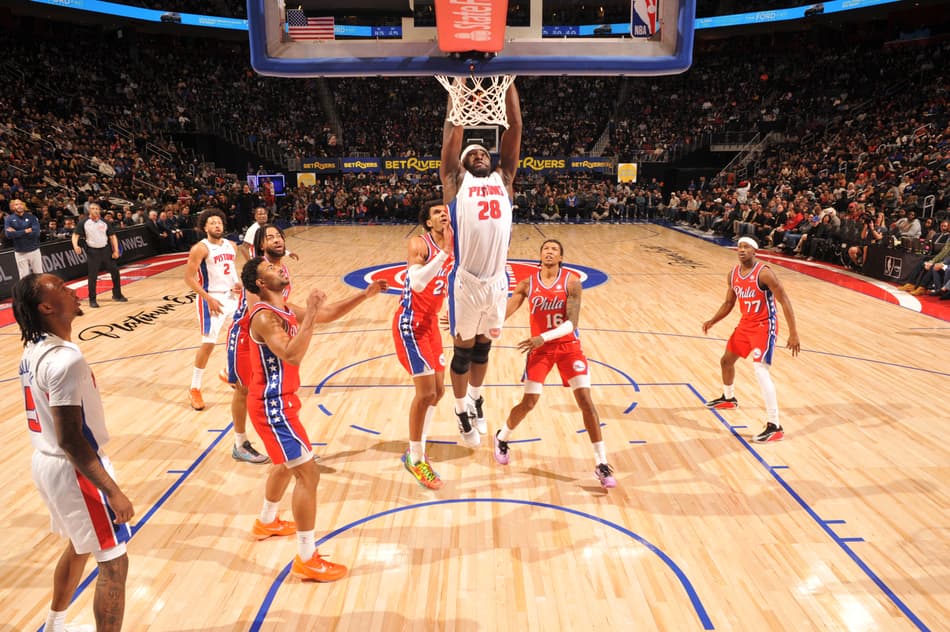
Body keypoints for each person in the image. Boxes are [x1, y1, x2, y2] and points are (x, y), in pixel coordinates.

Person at [241, 257, 386, 581]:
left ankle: (267, 521)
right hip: (271, 406)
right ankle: (307, 557)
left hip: (282, 402)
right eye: (269, 269)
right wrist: (307, 316)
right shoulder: (265, 317)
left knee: (285, 464)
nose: (277, 268)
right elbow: (292, 353)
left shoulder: (284, 309)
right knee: (308, 475)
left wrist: (365, 295)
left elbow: (328, 314)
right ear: (261, 284)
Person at [13, 273, 133, 631]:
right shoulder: (65, 361)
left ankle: (55, 624)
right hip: (75, 469)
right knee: (114, 563)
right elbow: (70, 438)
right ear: (46, 307)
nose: (74, 291)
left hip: (46, 462)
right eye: (63, 289)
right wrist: (112, 490)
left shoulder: (34, 348)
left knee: (80, 547)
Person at [439, 78, 522, 448]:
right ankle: (460, 409)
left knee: (484, 349)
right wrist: (457, 98)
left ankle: (475, 398)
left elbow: (515, 126)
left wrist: (509, 81)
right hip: (468, 282)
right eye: (472, 153)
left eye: (483, 152)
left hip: (497, 282)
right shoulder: (455, 181)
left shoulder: (505, 178)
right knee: (462, 353)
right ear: (462, 162)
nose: (479, 155)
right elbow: (451, 133)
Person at [496, 239, 617, 488]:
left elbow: (572, 323)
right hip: (540, 351)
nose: (549, 252)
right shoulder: (528, 283)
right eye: (546, 249)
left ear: (561, 257)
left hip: (567, 347)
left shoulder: (571, 282)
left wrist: (543, 337)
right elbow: (504, 312)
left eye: (554, 250)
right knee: (529, 402)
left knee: (585, 401)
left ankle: (601, 463)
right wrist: (490, 325)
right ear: (540, 254)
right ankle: (502, 437)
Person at [702, 236, 800, 443]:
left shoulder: (764, 273)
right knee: (726, 361)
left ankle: (775, 426)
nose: (742, 250)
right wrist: (713, 320)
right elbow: (729, 302)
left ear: (755, 251)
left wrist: (793, 333)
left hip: (764, 326)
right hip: (746, 324)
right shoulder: (733, 274)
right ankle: (729, 398)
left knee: (760, 370)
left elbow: (784, 300)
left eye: (746, 247)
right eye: (739, 247)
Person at [220, 223, 298, 464]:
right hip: (246, 335)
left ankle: (286, 445)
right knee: (245, 391)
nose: (276, 239)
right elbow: (258, 312)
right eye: (270, 237)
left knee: (271, 389)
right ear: (260, 245)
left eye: (279, 236)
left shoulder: (280, 268)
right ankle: (240, 443)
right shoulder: (258, 270)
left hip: (264, 333)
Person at [393, 200, 454, 489]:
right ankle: (416, 458)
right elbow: (417, 282)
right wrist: (445, 253)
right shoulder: (420, 243)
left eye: (446, 210)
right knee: (426, 391)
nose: (444, 214)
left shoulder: (455, 245)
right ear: (429, 222)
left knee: (439, 391)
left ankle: (418, 447)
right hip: (410, 323)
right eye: (436, 212)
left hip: (430, 324)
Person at [183, 209, 244, 416]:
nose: (217, 225)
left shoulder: (231, 245)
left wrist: (239, 285)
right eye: (212, 223)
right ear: (205, 227)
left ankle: (229, 372)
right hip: (210, 298)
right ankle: (195, 388)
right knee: (208, 344)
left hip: (231, 297)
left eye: (219, 222)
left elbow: (231, 270)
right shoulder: (200, 248)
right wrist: (208, 298)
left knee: (239, 336)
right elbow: (189, 278)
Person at [71, 202, 127, 308]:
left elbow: (112, 237)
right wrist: (75, 246)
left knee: (115, 272)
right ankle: (92, 299)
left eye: (97, 208)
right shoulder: (84, 222)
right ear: (89, 210)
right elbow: (75, 235)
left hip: (106, 250)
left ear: (99, 210)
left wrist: (116, 251)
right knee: (93, 276)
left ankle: (117, 295)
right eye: (92, 208)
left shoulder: (105, 222)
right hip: (93, 251)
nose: (95, 210)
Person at [4, 198, 43, 278]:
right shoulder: (9, 219)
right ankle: (27, 291)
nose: (19, 206)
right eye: (16, 204)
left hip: (34, 250)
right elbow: (8, 235)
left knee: (39, 275)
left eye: (21, 204)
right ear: (12, 207)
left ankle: (40, 291)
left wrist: (16, 233)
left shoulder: (32, 217)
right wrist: (25, 231)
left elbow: (36, 233)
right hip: (20, 252)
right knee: (23, 277)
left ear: (24, 206)